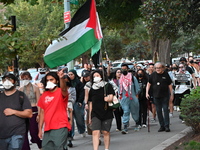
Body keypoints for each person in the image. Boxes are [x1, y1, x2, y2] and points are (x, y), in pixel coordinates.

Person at [38, 71, 71, 150]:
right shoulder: (44, 95)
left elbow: (63, 89)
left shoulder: (60, 92)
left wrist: (61, 78)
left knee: (59, 147)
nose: (49, 82)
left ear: (56, 81)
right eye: (47, 80)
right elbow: (42, 113)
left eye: (51, 80)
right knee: (45, 147)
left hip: (60, 126)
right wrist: (40, 129)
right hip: (48, 128)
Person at [0, 73, 32, 150]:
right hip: (2, 135)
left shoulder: (21, 96)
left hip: (17, 133)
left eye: (10, 79)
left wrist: (14, 112)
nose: (7, 82)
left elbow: (29, 113)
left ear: (14, 81)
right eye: (5, 80)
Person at [88, 70, 115, 150]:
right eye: (94, 76)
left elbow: (111, 97)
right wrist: (90, 116)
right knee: (95, 132)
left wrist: (108, 98)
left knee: (105, 132)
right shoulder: (92, 89)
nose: (96, 77)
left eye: (97, 75)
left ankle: (106, 148)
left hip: (106, 111)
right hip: (95, 113)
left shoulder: (107, 86)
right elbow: (90, 102)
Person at [146, 62, 173, 132]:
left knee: (165, 110)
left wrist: (171, 94)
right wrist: (147, 93)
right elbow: (149, 84)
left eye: (159, 68)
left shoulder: (166, 74)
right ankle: (162, 126)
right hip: (156, 95)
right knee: (158, 111)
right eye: (156, 68)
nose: (158, 69)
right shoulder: (153, 75)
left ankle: (167, 126)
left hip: (165, 95)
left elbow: (169, 85)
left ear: (162, 68)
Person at [19, 72, 42, 150]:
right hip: (24, 111)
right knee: (24, 133)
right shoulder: (20, 89)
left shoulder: (35, 88)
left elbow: (39, 102)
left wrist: (39, 114)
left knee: (33, 132)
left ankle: (41, 146)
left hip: (34, 110)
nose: (25, 80)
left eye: (26, 78)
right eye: (23, 78)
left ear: (30, 78)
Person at [119, 63, 140, 134]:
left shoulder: (132, 78)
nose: (123, 70)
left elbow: (137, 88)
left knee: (134, 111)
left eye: (125, 68)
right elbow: (120, 89)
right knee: (126, 111)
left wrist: (136, 97)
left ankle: (137, 122)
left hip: (132, 97)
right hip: (124, 98)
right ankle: (125, 126)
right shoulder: (120, 79)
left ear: (127, 69)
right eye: (122, 69)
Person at [68, 70, 86, 137]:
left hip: (77, 102)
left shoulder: (79, 83)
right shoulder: (67, 83)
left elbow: (81, 93)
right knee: (70, 119)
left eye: (71, 74)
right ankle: (71, 134)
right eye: (69, 74)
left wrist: (80, 101)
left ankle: (82, 130)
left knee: (79, 119)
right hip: (69, 103)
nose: (70, 76)